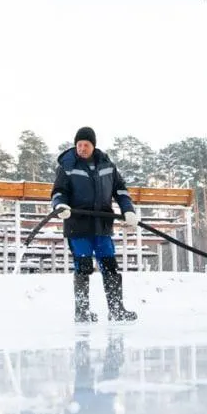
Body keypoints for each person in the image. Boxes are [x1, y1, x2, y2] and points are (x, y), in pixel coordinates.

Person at [50, 126, 139, 322]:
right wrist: (60, 205)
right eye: (79, 144)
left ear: (93, 145)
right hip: (78, 225)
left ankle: (116, 309)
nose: (82, 148)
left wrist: (128, 210)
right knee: (83, 266)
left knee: (110, 266)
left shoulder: (107, 165)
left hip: (102, 226)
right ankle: (82, 312)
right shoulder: (67, 166)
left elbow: (121, 191)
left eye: (86, 144)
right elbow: (58, 192)